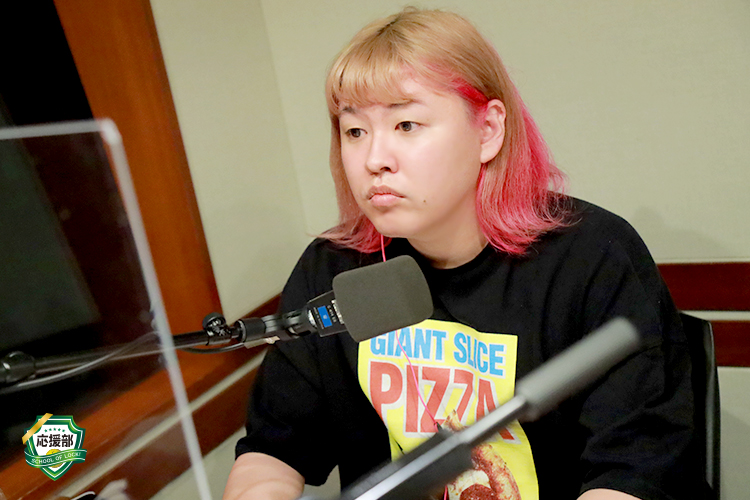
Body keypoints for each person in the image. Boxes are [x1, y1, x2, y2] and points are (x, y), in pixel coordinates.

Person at [223, 8, 697, 500]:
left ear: (488, 130)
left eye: (406, 124)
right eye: (355, 131)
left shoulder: (592, 257)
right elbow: (271, 453)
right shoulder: (332, 269)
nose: (373, 160)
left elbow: (632, 471)